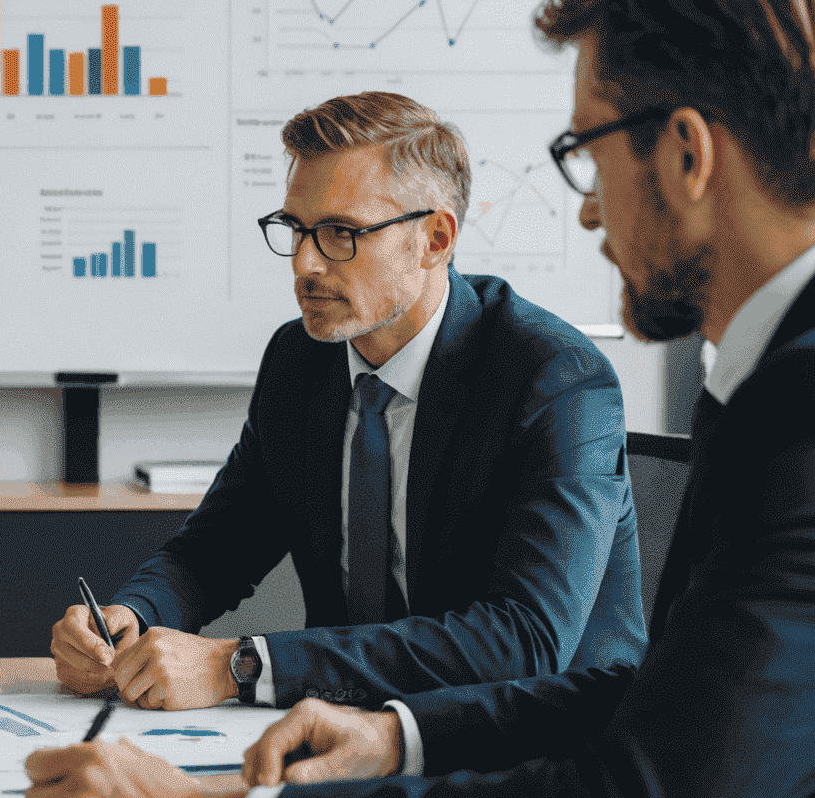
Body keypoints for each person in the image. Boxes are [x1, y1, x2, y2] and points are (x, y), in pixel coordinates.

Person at [23, 0, 815, 798]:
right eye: (295, 231)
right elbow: (657, 696)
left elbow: (611, 783)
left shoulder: (631, 386)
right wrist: (390, 733)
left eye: (587, 151)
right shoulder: (767, 381)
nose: (584, 208)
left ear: (685, 151)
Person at [52, 92, 644, 712]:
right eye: (296, 229)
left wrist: (244, 665)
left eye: (340, 233)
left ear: (435, 239)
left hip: (533, 751)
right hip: (347, 733)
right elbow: (219, 547)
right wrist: (133, 615)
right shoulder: (300, 360)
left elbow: (523, 640)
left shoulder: (554, 380)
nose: (305, 264)